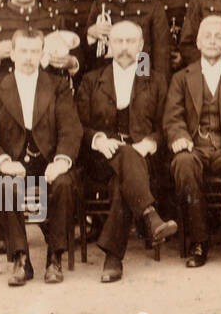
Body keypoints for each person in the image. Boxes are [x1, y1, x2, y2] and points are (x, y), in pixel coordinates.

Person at [0, 28, 81, 285]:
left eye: (34, 51)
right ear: (13, 54)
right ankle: (21, 259)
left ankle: (54, 258)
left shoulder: (58, 86)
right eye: (23, 51)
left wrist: (61, 160)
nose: (29, 57)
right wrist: (3, 162)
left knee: (64, 183)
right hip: (12, 164)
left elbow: (70, 128)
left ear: (43, 53)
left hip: (48, 163)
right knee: (5, 185)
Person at [75, 20, 177, 283]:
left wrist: (150, 143)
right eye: (118, 41)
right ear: (108, 44)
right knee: (124, 165)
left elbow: (166, 125)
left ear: (141, 45)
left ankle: (112, 258)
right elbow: (77, 126)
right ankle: (150, 215)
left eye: (130, 41)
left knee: (124, 180)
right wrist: (97, 140)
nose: (123, 47)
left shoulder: (155, 79)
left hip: (144, 160)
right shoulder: (91, 79)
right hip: (101, 160)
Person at [163, 15, 221, 271]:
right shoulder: (182, 77)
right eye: (207, 36)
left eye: (218, 36)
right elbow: (172, 116)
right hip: (194, 147)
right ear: (198, 43)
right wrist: (180, 136)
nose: (213, 41)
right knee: (182, 164)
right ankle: (198, 242)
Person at [84, 0, 172, 85]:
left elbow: (161, 56)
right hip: (107, 81)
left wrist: (156, 88)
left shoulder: (153, 7)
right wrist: (90, 34)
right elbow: (89, 58)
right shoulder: (101, 5)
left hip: (142, 77)